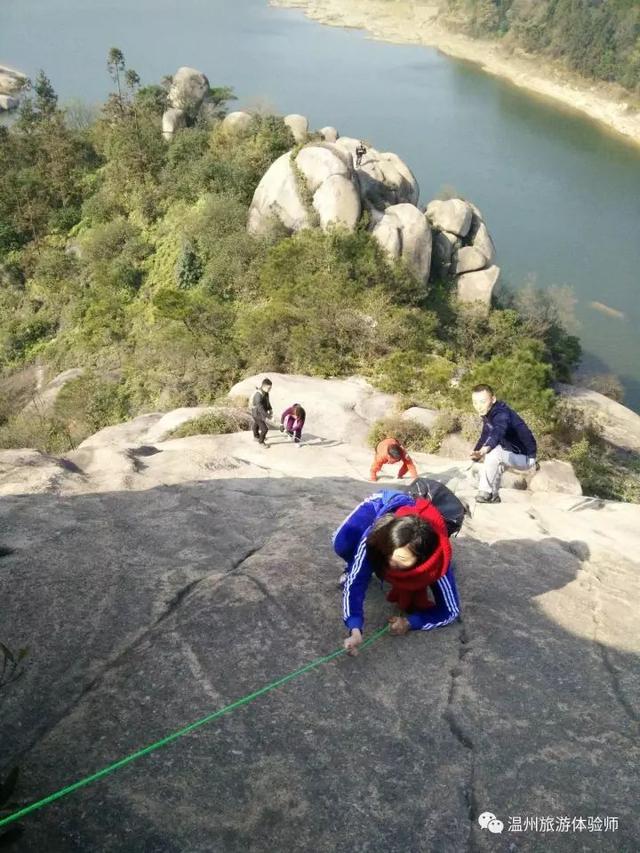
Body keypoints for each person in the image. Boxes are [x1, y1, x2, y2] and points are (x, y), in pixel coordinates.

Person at [332, 489, 460, 656]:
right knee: (341, 542)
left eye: (401, 560)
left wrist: (410, 622)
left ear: (421, 560)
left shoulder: (437, 564)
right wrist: (355, 628)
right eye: (388, 553)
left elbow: (450, 611)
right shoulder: (377, 539)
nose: (391, 561)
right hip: (384, 503)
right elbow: (355, 584)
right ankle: (355, 564)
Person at [470, 384, 537, 503]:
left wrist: (486, 449)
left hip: (525, 457)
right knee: (496, 466)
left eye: (482, 402)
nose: (478, 406)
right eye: (475, 403)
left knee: (493, 453)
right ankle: (494, 495)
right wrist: (475, 455)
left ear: (493, 399)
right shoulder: (488, 413)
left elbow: (498, 431)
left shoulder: (502, 413)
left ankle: (485, 492)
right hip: (510, 453)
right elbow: (485, 435)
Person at [250, 378, 273, 446]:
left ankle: (256, 436)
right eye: (269, 388)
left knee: (256, 424)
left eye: (270, 388)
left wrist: (270, 409)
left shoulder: (266, 392)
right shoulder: (258, 395)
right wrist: (269, 416)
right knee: (264, 429)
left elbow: (267, 402)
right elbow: (260, 408)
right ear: (263, 386)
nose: (270, 389)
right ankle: (261, 442)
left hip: (259, 413)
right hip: (257, 414)